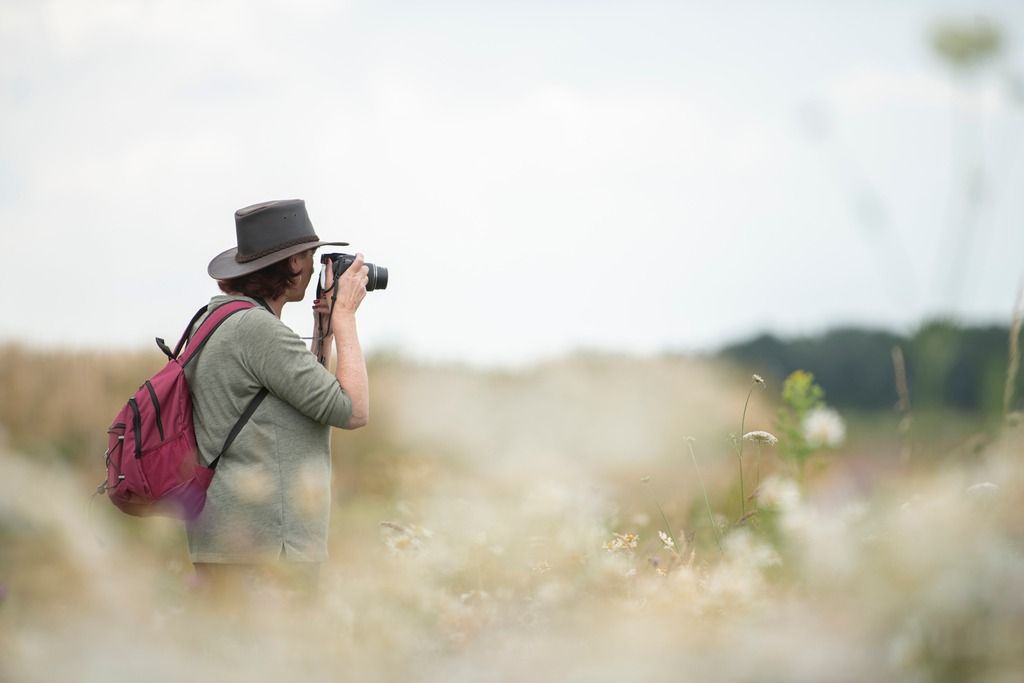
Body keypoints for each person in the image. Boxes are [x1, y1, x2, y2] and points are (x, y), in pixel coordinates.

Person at [184, 198, 369, 604]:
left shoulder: (216, 319)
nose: (315, 267)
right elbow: (352, 410)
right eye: (311, 256)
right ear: (293, 265)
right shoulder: (258, 331)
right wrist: (346, 318)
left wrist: (322, 329)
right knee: (278, 665)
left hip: (223, 538)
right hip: (268, 546)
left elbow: (305, 398)